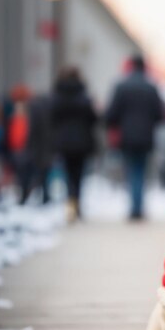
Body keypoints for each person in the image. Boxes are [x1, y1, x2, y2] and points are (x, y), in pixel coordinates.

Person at [105, 55, 164, 220]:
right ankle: (138, 207)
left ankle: (134, 207)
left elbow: (111, 114)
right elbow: (159, 114)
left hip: (127, 137)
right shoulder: (151, 87)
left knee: (131, 171)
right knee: (141, 170)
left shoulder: (121, 86)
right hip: (146, 137)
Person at [51, 67, 97, 221]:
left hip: (64, 142)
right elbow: (93, 119)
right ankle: (77, 206)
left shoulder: (57, 96)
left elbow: (52, 118)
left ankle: (70, 205)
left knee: (67, 174)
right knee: (78, 175)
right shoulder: (84, 96)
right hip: (82, 142)